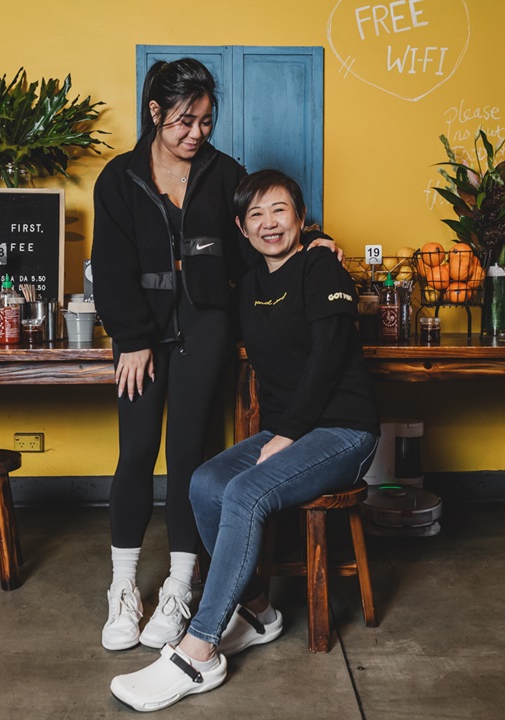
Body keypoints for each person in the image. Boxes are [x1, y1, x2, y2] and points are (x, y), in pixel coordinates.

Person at [109, 169, 380, 712]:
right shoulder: (249, 287)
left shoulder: (321, 265)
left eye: (279, 210)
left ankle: (200, 649)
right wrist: (133, 335)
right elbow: (188, 289)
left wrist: (287, 432)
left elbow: (327, 359)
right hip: (289, 433)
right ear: (241, 227)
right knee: (206, 482)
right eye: (255, 215)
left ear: (300, 218)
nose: (269, 223)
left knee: (242, 494)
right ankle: (258, 610)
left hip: (343, 431)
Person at [92, 61, 338, 653]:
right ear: (155, 112)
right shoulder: (119, 178)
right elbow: (111, 265)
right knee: (136, 452)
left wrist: (311, 244)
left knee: (188, 457)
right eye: (184, 121)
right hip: (142, 336)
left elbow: (259, 234)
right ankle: (123, 588)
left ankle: (179, 587)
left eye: (205, 120)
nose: (196, 132)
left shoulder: (226, 173)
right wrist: (131, 338)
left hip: (206, 328)